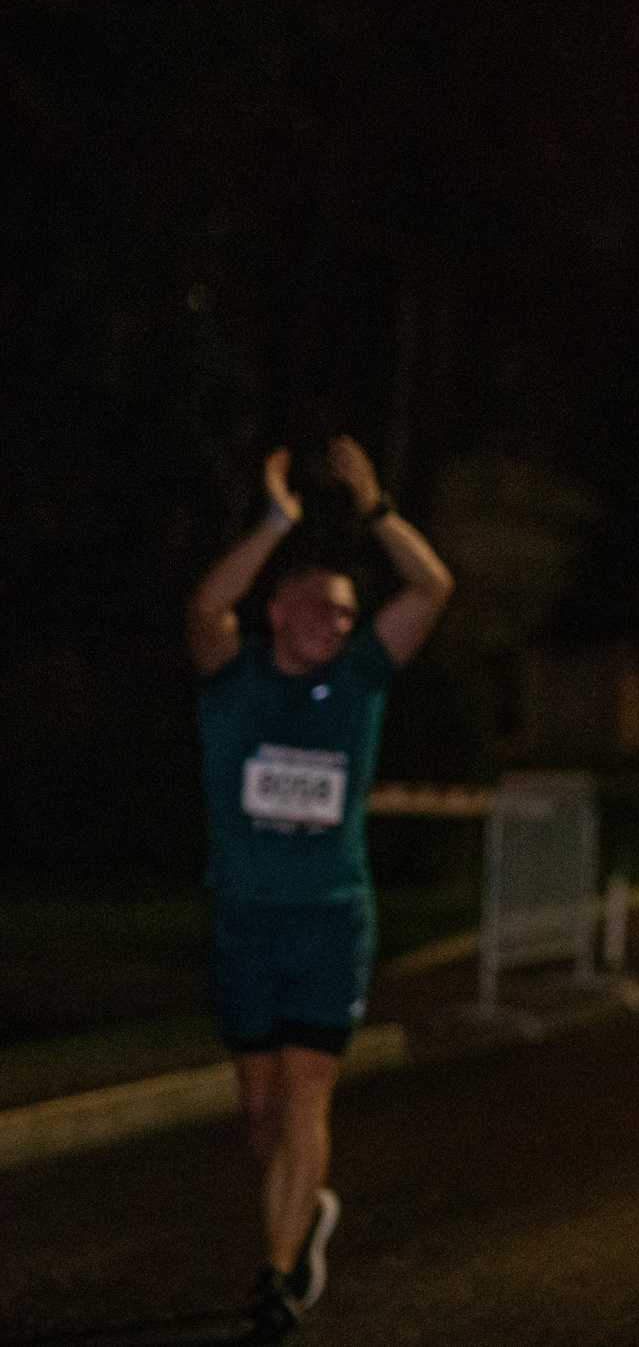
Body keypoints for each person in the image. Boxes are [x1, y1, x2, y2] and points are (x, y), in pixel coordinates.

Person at [184, 440, 453, 1342]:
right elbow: (205, 604)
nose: (337, 624)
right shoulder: (234, 678)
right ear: (278, 611)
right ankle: (301, 1221)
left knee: (305, 1099)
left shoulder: (360, 679)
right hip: (244, 921)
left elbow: (431, 588)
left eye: (346, 612)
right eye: (319, 608)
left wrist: (375, 508)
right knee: (261, 1114)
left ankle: (277, 1277)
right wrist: (277, 523)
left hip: (331, 919)